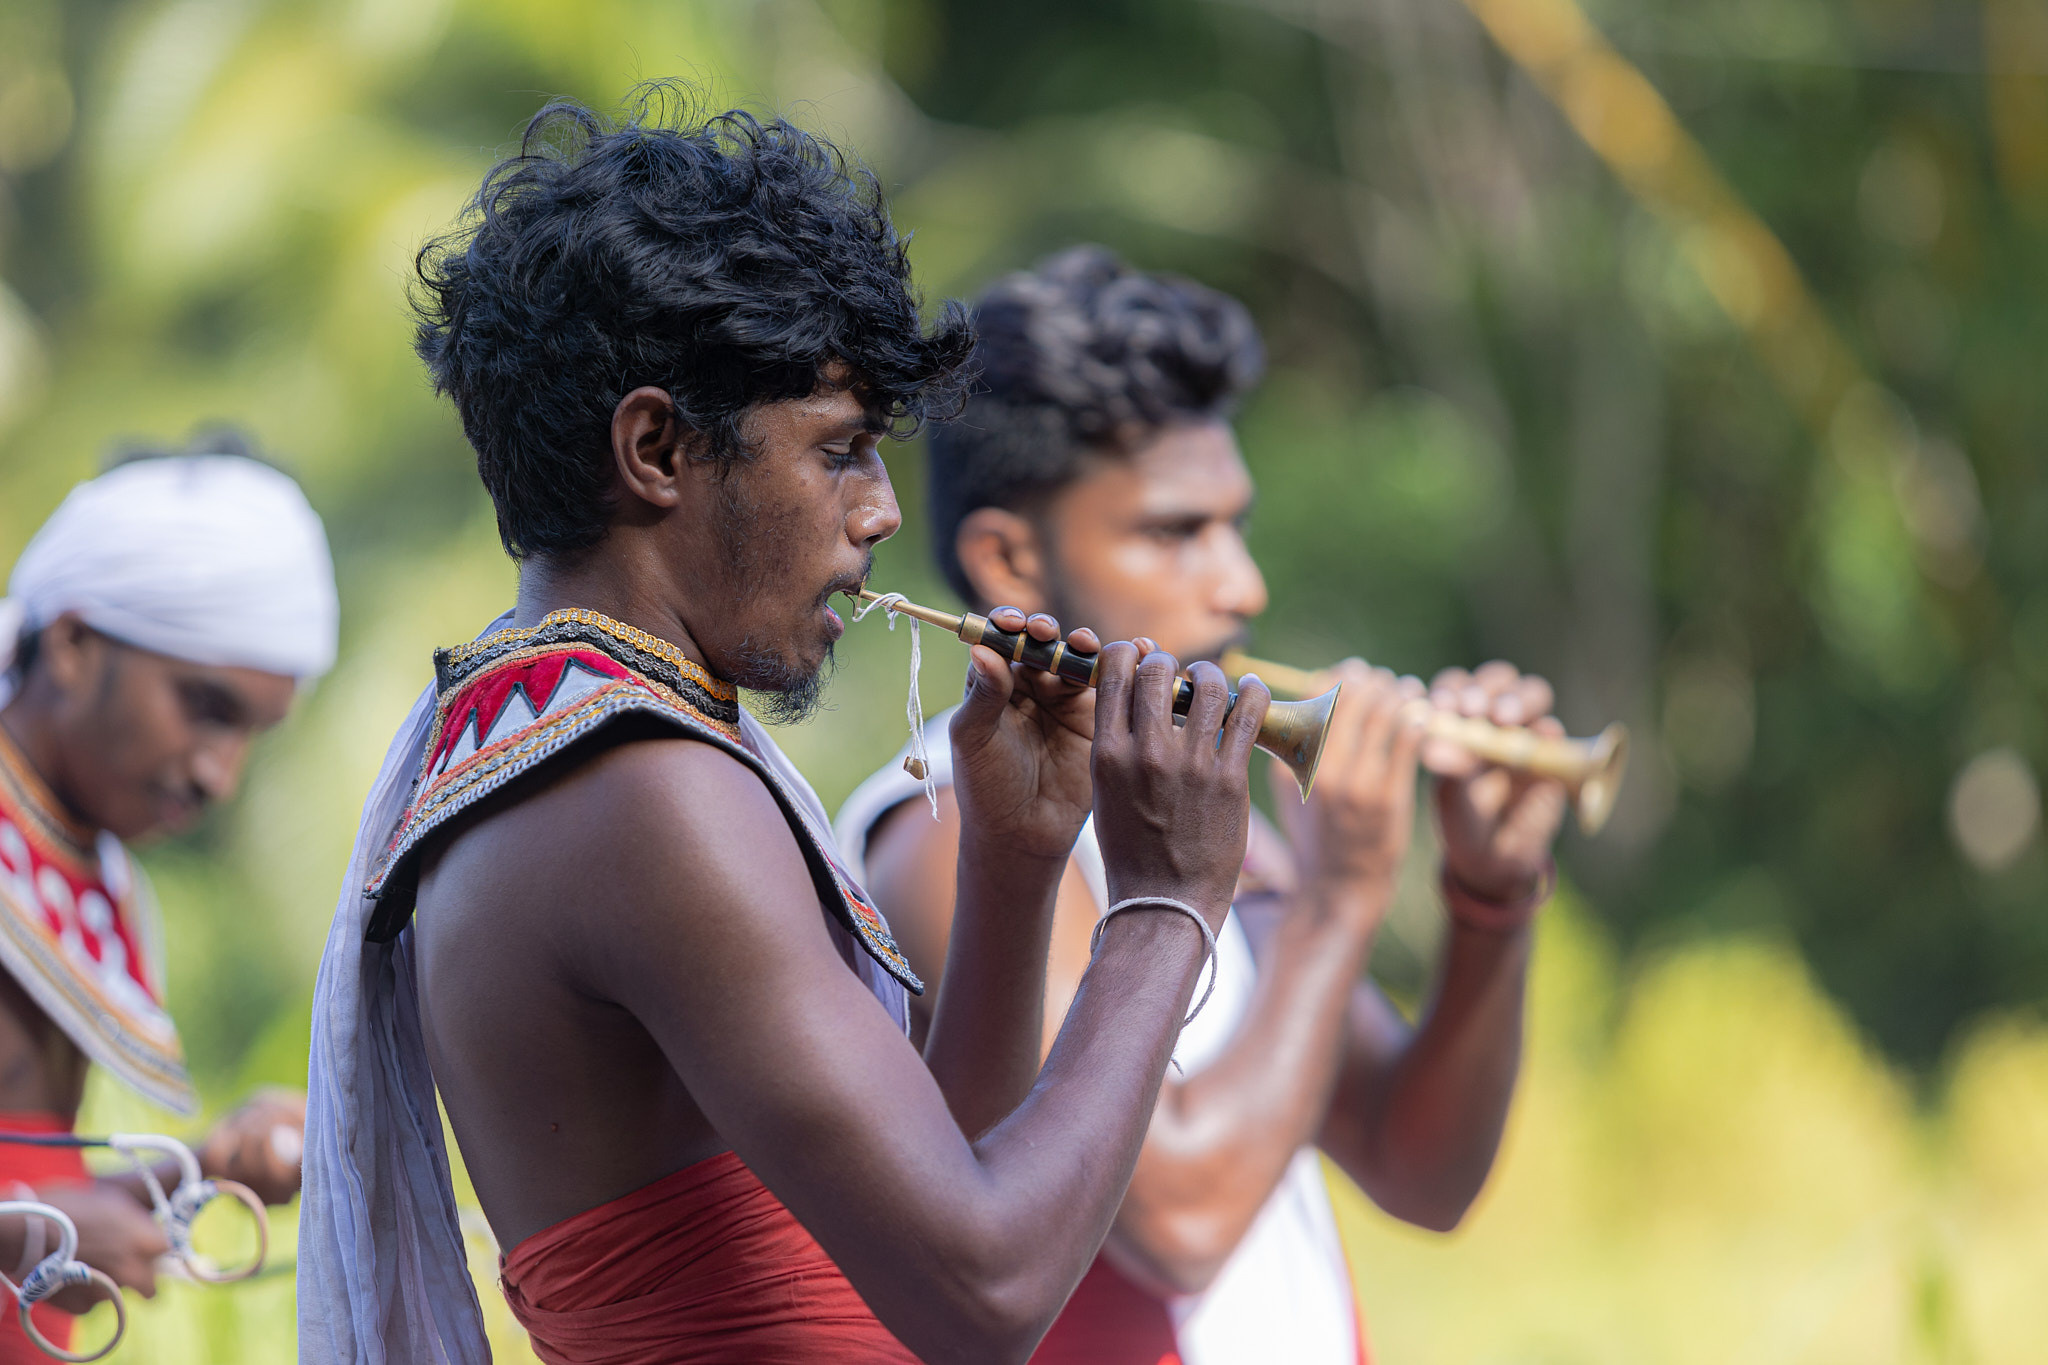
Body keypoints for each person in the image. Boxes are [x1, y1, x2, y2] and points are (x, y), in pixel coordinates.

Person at [299, 94, 1274, 1365]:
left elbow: (937, 1189)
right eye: (842, 450)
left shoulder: (565, 737)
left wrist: (1015, 857)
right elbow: (983, 1298)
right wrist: (1165, 906)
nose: (878, 513)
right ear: (655, 447)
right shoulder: (639, 791)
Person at [838, 246, 1572, 1365]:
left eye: (1234, 524)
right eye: (1175, 532)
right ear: (1008, 562)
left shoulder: (1186, 800)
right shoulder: (947, 829)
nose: (1242, 586)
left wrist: (1488, 897)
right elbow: (1177, 1223)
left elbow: (1416, 1170)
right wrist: (1334, 903)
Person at [0, 432, 336, 1357]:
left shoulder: (95, 883)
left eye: (251, 734)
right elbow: (27, 1214)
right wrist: (33, 1230)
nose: (221, 775)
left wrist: (202, 1169)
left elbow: (31, 1186)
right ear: (70, 642)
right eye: (205, 707)